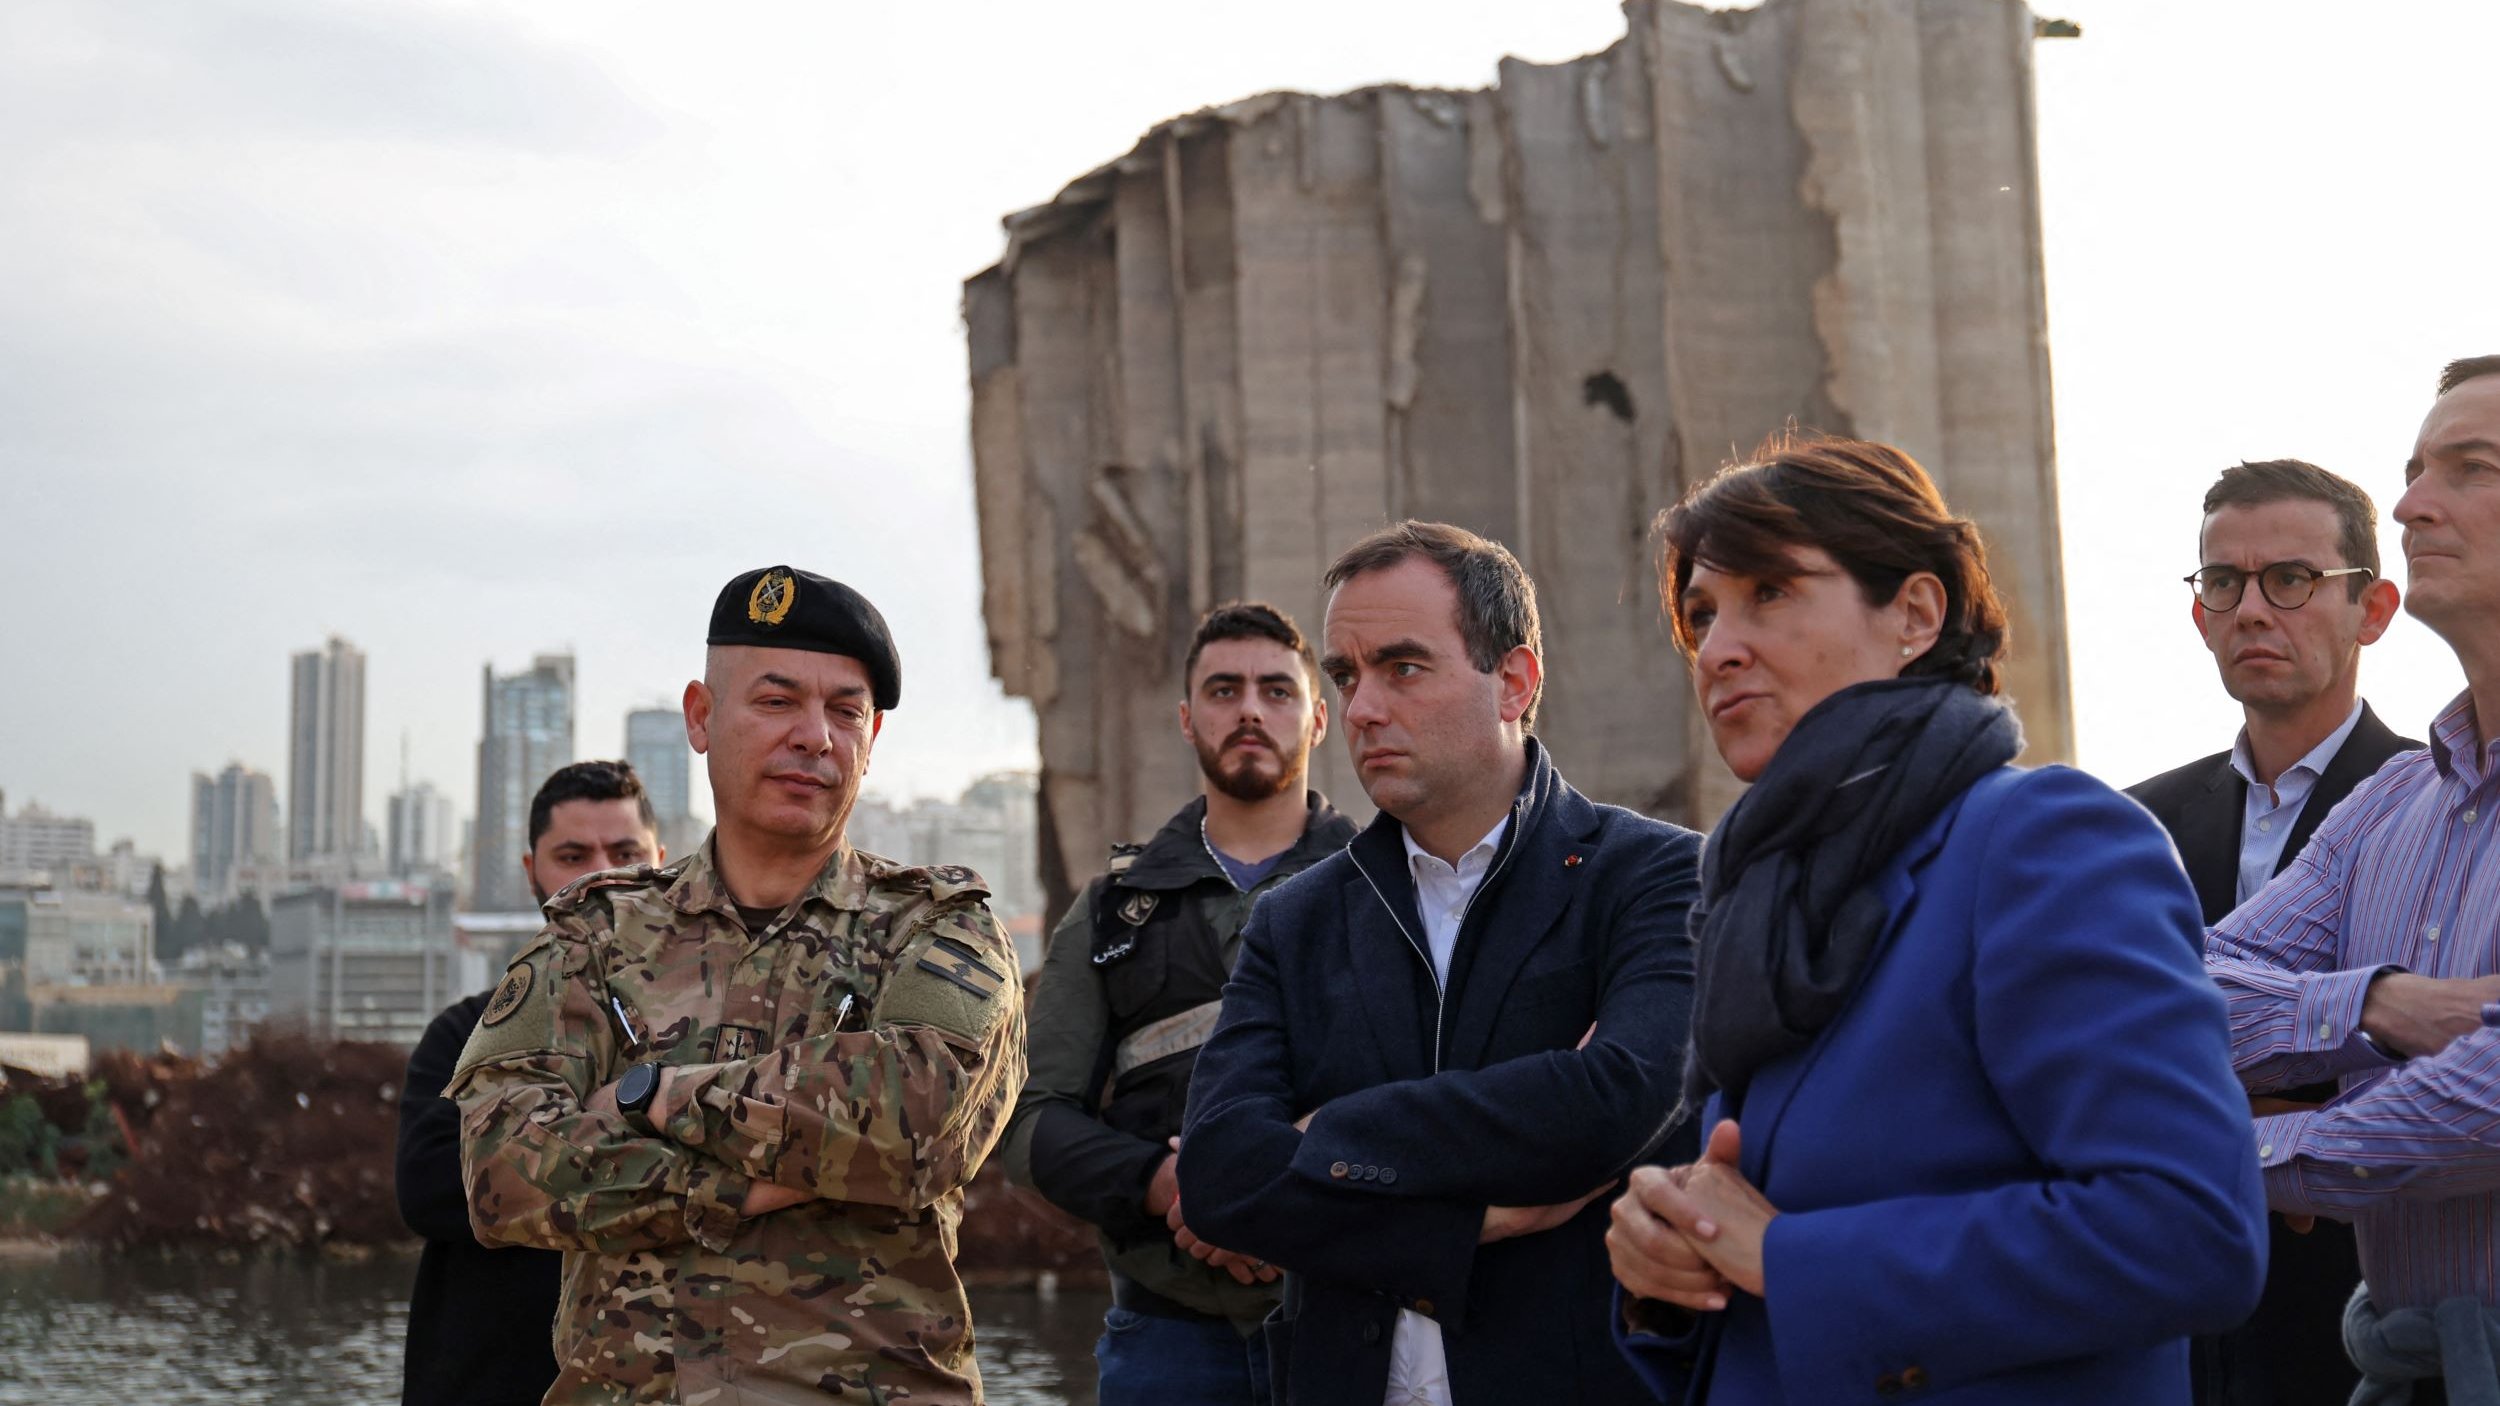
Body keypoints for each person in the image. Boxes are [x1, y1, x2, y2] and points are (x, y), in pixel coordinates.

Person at [1608, 435, 2266, 1405]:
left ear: (1915, 613)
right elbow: (1759, 1251)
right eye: (1701, 614)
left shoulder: (2039, 841)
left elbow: (2187, 1229)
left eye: (1770, 592)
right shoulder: (1761, 894)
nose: (1718, 648)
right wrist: (1668, 1272)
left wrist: (1789, 1258)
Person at [448, 565, 1026, 1405]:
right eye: (777, 700)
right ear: (701, 717)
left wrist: (652, 1096)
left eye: (845, 712)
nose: (814, 737)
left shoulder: (938, 929)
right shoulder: (595, 937)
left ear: (872, 739)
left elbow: (919, 1123)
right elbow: (503, 1172)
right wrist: (739, 1186)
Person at [1179, 522, 1705, 1406]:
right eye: (1347, 676)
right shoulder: (1295, 919)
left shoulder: (1657, 876)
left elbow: (1616, 1102)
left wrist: (1321, 1135)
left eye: (1403, 668)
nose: (1361, 709)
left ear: (1515, 681)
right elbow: (1220, 1176)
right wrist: (1464, 1226)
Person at [2205, 357, 2500, 1403]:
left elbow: (2486, 1102)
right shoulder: (2389, 805)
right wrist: (2381, 1005)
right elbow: (2176, 993)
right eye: (2414, 471)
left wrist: (2234, 1146)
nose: (2412, 505)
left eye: (2471, 467)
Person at [1003, 601, 1355, 1405]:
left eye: (1276, 690)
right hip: (1170, 1339)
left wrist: (1281, 1181)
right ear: (1187, 718)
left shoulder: (1388, 888)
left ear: (1318, 719)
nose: (1250, 711)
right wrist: (1168, 1183)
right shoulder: (1111, 911)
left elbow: (1442, 1082)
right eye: (1224, 690)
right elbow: (1029, 1123)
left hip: (1357, 1321)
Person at [2126, 459, 2415, 1406]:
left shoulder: (2447, 810)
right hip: (2175, 1330)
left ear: (2372, 610)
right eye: (2224, 581)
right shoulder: (2127, 826)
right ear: (2200, 613)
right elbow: (2094, 1047)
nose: (2252, 609)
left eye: (2291, 579)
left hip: (2379, 1327)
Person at [396, 759, 664, 1406]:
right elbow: (430, 1186)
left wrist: (537, 1137)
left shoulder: (709, 1029)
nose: (600, 875)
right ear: (531, 871)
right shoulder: (466, 1034)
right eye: (573, 856)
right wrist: (647, 1115)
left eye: (625, 853)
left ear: (662, 863)